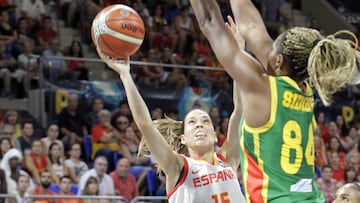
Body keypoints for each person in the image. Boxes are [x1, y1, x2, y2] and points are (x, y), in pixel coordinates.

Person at [190, 0, 359, 201]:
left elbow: (210, 20)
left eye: (272, 49)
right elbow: (252, 28)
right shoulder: (305, 90)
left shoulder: (262, 88)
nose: (266, 50)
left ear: (278, 61)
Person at [96, 50, 245, 202]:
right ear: (183, 139)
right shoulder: (178, 166)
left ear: (215, 136)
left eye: (205, 121)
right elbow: (145, 125)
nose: (199, 125)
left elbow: (239, 110)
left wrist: (237, 53)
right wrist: (125, 75)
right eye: (192, 122)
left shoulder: (228, 159)